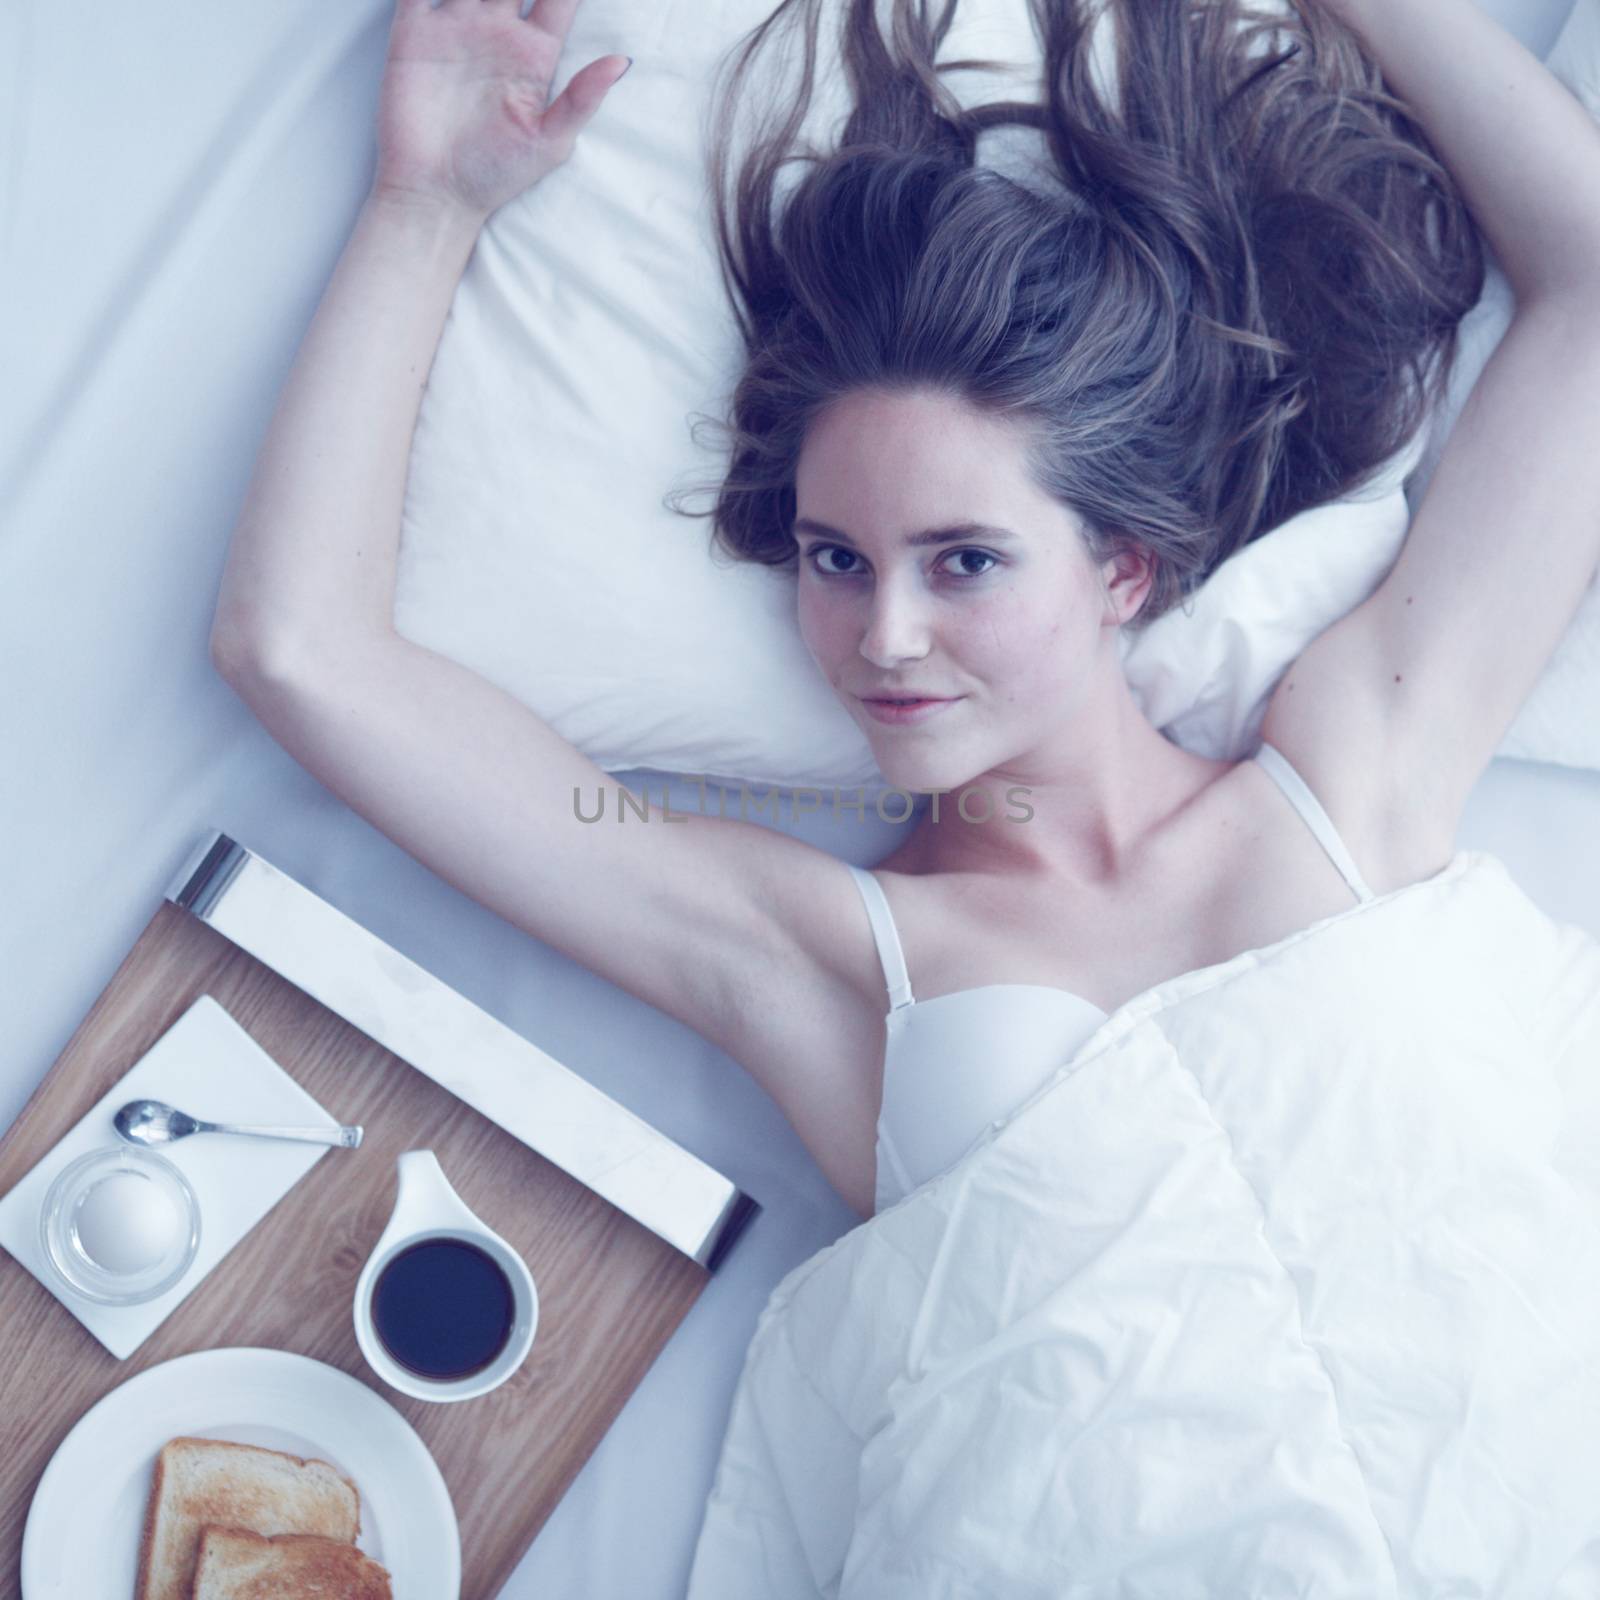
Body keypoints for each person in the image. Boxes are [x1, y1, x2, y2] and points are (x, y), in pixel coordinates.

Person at [211, 0, 1600, 1224]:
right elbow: (300, 652)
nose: (880, 636)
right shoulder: (820, 968)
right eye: (833, 557)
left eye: (966, 562)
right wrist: (424, 208)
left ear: (1124, 570)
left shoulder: (1357, 772)